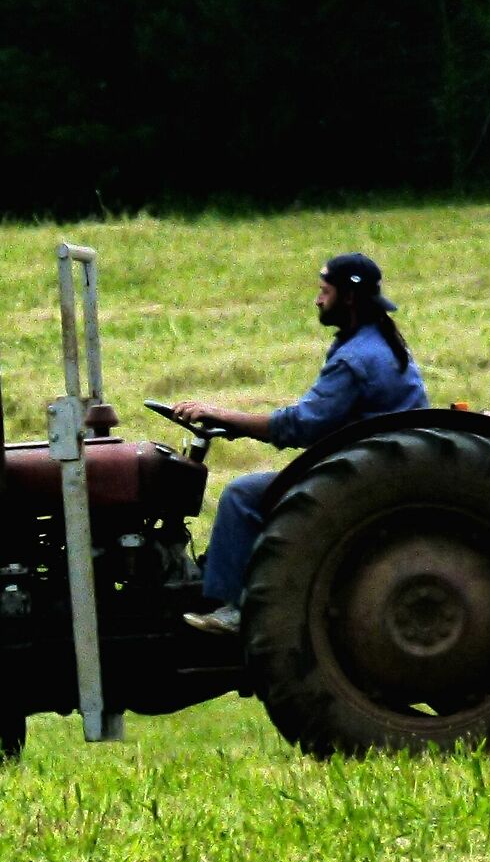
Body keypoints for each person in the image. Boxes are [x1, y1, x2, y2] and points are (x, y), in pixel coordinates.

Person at [174, 252, 429, 634]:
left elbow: (304, 425)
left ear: (348, 298)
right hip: (379, 463)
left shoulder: (357, 358)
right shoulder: (379, 341)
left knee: (242, 496)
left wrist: (225, 416)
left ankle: (237, 609)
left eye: (324, 292)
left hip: (365, 474)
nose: (317, 300)